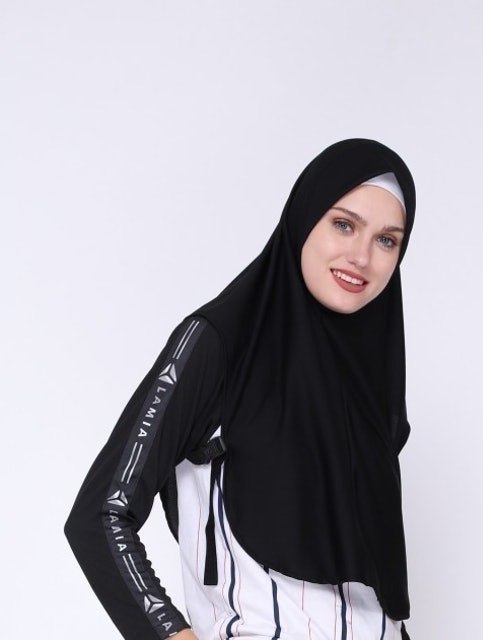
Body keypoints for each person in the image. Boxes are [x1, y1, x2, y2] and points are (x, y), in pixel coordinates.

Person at [65, 138, 416, 640]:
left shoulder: (372, 379)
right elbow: (101, 515)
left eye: (386, 240)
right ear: (304, 219)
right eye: (344, 224)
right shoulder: (220, 344)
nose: (361, 256)